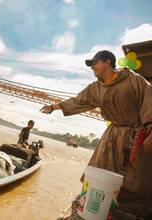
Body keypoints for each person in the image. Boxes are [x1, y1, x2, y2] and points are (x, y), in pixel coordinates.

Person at [40, 50, 152, 218]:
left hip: (136, 136)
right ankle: (96, 207)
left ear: (108, 62)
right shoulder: (95, 88)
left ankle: (127, 214)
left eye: (95, 62)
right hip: (111, 136)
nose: (92, 67)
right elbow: (78, 101)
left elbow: (149, 99)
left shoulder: (134, 80)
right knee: (99, 170)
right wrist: (54, 107)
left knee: (134, 179)